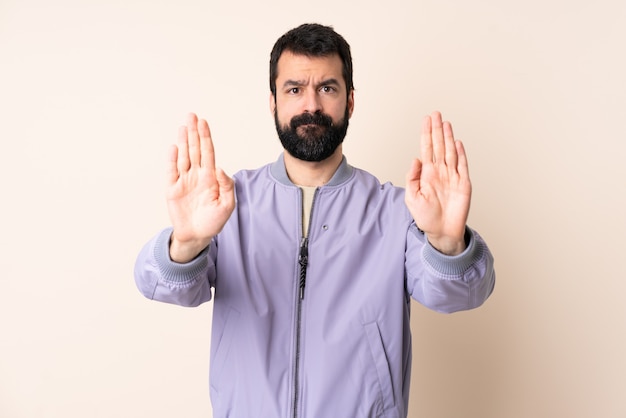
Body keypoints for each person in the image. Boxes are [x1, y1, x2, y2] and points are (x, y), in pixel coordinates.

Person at [134, 23, 495, 418]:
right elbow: (163, 287)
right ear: (273, 102)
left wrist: (447, 242)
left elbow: (461, 295)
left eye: (327, 88)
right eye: (294, 89)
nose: (311, 106)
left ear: (350, 101)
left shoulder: (397, 212)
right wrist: (185, 243)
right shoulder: (226, 205)